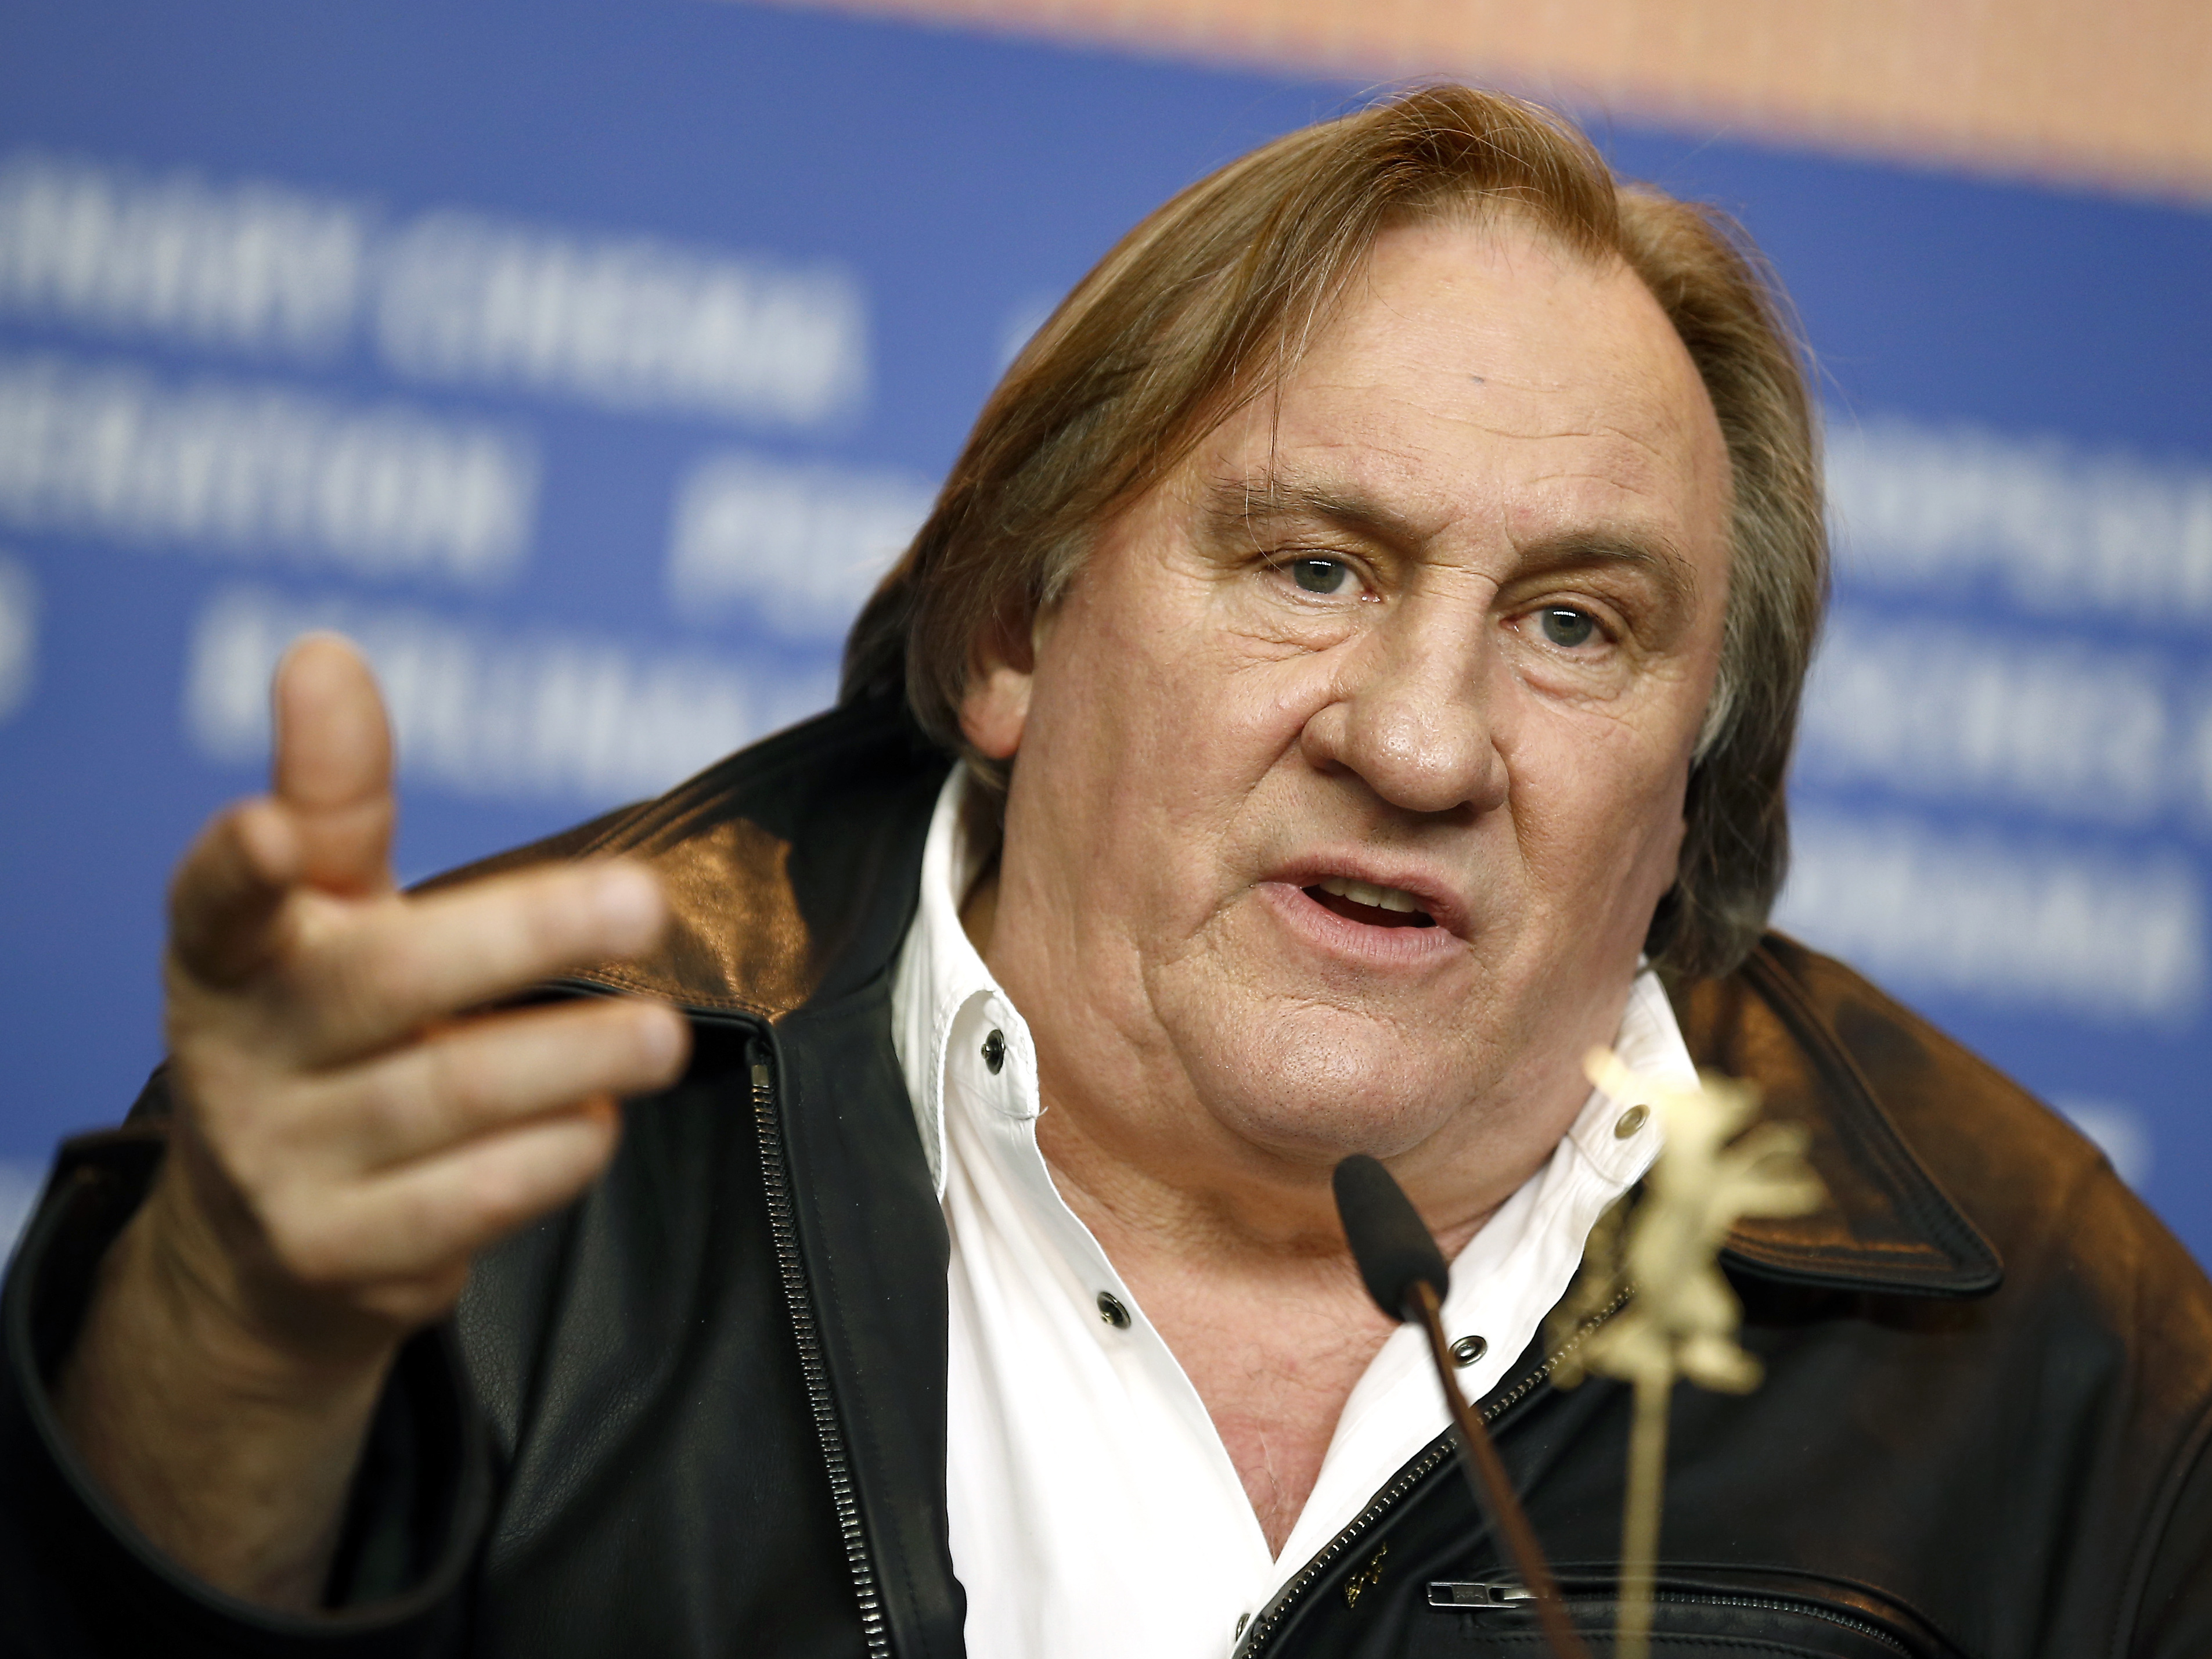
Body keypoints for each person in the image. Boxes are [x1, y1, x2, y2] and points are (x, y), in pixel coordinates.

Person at [2, 85, 2208, 1659]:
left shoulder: (2061, 1349)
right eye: (1314, 563)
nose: (1421, 739)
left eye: (1575, 625)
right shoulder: (500, 1125)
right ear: (1015, 632)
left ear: (1696, 775)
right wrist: (229, 1326)